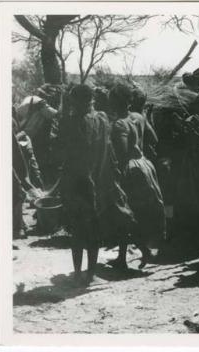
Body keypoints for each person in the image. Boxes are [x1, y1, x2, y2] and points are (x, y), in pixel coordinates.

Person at [60, 84, 134, 284]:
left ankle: (77, 273)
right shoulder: (102, 119)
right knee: (93, 229)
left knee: (77, 229)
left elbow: (65, 153)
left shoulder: (72, 121)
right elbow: (109, 150)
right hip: (98, 181)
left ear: (74, 101)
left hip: (76, 182)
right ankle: (90, 274)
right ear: (91, 99)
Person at [108, 83, 167, 269]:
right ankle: (126, 256)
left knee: (125, 212)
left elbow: (122, 152)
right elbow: (154, 139)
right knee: (135, 212)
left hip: (129, 171)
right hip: (143, 166)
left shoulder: (119, 124)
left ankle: (137, 253)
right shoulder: (138, 118)